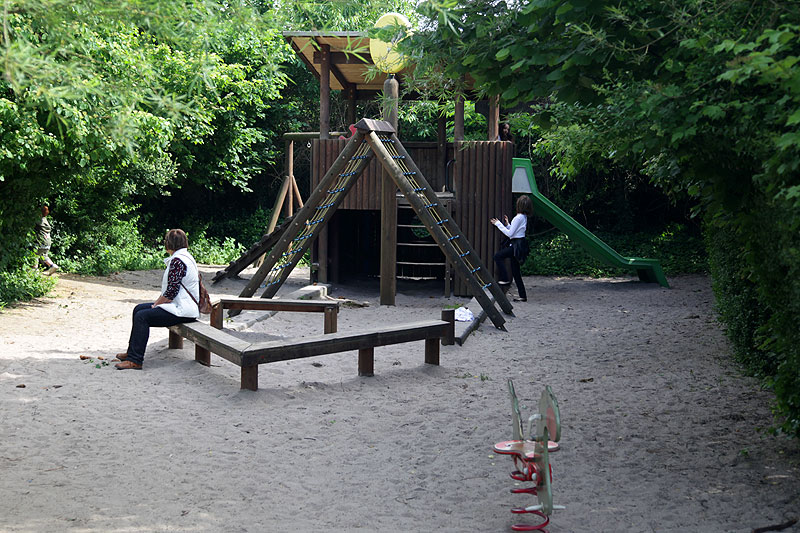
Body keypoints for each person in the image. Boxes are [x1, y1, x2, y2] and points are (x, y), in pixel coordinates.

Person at [115, 229, 200, 370]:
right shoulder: (186, 257)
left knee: (143, 316)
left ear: (169, 244)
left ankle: (136, 360)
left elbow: (170, 292)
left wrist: (156, 305)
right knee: (138, 309)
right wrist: (157, 304)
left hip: (182, 310)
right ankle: (131, 353)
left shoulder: (178, 261)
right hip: (183, 306)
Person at [490, 195, 532, 302]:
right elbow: (515, 232)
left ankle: (505, 278)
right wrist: (508, 224)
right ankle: (523, 296)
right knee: (516, 272)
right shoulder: (523, 217)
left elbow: (510, 234)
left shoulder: (518, 217)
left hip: (516, 245)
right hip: (519, 244)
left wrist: (498, 224)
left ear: (519, 205)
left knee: (497, 256)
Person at [35, 204, 59, 275]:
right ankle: (52, 265)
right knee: (44, 255)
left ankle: (34, 271)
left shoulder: (38, 220)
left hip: (41, 240)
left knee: (35, 255)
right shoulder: (45, 220)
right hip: (48, 241)